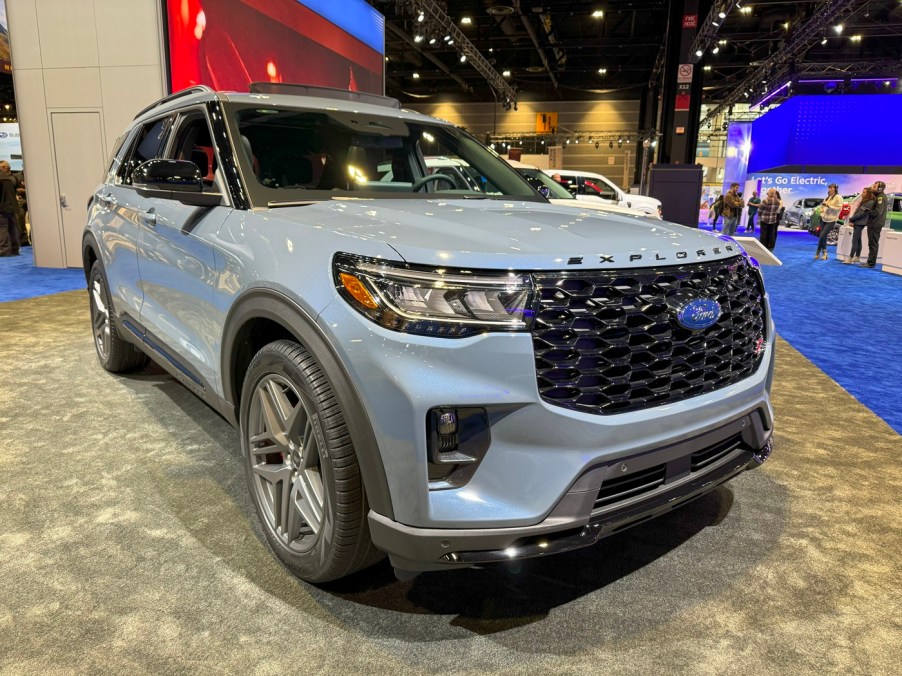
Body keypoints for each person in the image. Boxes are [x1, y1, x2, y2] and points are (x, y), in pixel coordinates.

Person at [844, 187, 874, 264]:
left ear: (868, 194)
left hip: (860, 223)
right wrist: (852, 220)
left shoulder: (870, 202)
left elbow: (861, 214)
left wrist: (851, 219)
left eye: (864, 192)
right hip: (857, 222)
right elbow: (857, 212)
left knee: (855, 241)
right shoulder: (864, 201)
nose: (862, 193)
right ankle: (857, 256)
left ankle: (850, 258)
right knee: (858, 240)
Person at [861, 180, 888, 268]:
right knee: (872, 243)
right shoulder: (879, 197)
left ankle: (871, 263)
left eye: (874, 187)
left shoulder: (880, 198)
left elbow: (877, 212)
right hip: (874, 223)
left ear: (880, 189)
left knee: (873, 244)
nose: (872, 188)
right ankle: (870, 262)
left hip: (875, 224)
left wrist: (868, 211)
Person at [814, 183, 843, 260]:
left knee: (822, 236)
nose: (830, 189)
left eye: (831, 188)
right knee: (823, 237)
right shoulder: (827, 197)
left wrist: (828, 206)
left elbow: (839, 208)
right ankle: (824, 253)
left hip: (831, 220)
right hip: (823, 219)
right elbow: (823, 207)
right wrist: (820, 210)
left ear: (835, 189)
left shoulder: (838, 197)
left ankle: (817, 252)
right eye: (829, 188)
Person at [0, 161, 19, 257]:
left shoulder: (1, 179)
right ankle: (15, 249)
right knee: (12, 228)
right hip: (12, 207)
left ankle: (4, 250)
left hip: (2, 207)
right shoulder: (11, 179)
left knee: (2, 229)